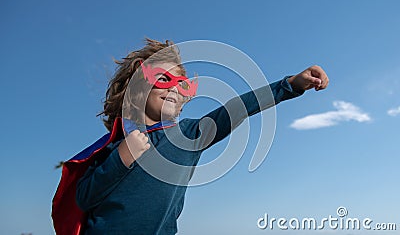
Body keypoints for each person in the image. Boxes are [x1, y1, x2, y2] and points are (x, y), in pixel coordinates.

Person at [52, 38, 329, 235]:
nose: (174, 88)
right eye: (163, 79)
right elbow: (84, 199)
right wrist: (121, 158)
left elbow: (237, 108)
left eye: (182, 84)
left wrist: (289, 85)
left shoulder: (189, 135)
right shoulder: (114, 147)